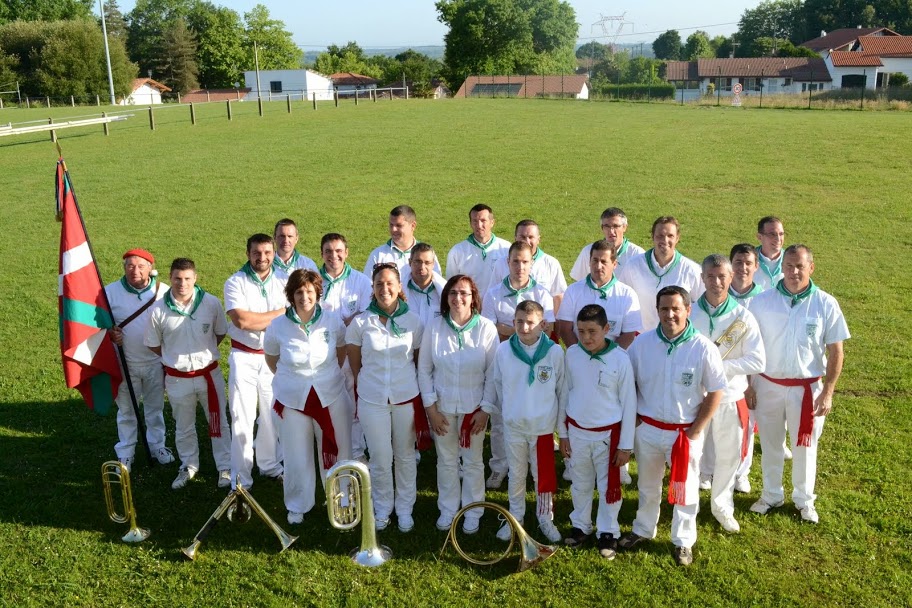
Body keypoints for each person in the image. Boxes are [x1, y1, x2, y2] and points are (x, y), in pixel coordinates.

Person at [619, 286, 726, 566]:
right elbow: (627, 383)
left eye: (676, 308)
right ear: (657, 311)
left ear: (688, 310)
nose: (670, 315)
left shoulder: (702, 347)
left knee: (685, 488)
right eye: (664, 309)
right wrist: (636, 419)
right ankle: (643, 528)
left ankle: (683, 541)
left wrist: (696, 430)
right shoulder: (642, 344)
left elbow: (716, 391)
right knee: (647, 484)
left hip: (684, 433)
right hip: (648, 429)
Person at [748, 245, 849, 524]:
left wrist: (828, 391)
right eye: (789, 266)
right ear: (782, 267)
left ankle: (804, 500)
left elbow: (836, 351)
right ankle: (771, 495)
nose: (794, 272)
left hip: (808, 390)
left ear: (811, 268)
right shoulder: (761, 302)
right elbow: (749, 347)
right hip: (768, 385)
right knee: (771, 443)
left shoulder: (825, 303)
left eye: (800, 266)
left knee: (805, 446)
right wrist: (748, 385)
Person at [264, 270, 351, 525]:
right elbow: (272, 360)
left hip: (331, 395)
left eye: (309, 291)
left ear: (317, 293)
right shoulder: (277, 326)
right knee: (296, 455)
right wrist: (296, 381)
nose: (305, 297)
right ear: (291, 295)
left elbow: (341, 352)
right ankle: (297, 505)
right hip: (293, 400)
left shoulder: (332, 321)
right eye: (299, 292)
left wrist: (322, 379)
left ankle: (341, 502)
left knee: (340, 450)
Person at [346, 263, 428, 532]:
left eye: (390, 283)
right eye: (379, 284)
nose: (385, 289)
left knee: (405, 456)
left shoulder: (414, 321)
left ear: (399, 286)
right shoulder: (361, 322)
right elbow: (356, 364)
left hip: (405, 397)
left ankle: (405, 508)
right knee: (380, 457)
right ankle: (382, 507)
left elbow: (418, 361)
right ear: (372, 287)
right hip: (372, 399)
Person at [480, 300, 568, 544]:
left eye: (531, 322)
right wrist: (508, 411)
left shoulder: (554, 352)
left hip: (542, 428)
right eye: (519, 322)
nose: (525, 327)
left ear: (543, 324)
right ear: (513, 322)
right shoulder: (504, 351)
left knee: (542, 476)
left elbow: (562, 391)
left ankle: (545, 516)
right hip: (514, 426)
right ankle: (515, 517)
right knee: (516, 474)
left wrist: (560, 428)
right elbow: (497, 384)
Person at [690, 255, 765, 533]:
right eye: (710, 276)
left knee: (729, 454)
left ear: (731, 278)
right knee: (692, 454)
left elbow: (757, 361)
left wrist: (718, 367)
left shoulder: (743, 317)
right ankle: (688, 505)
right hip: (695, 398)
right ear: (702, 278)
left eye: (722, 276)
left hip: (731, 397)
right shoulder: (690, 313)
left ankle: (722, 506)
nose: (716, 282)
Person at [418, 275, 498, 534]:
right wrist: (431, 409)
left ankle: (473, 511)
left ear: (473, 298)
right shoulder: (435, 326)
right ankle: (448, 509)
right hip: (442, 408)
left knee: (473, 461)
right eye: (453, 293)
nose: (458, 298)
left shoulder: (486, 328)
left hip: (474, 409)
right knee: (446, 460)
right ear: (446, 297)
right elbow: (424, 369)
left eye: (464, 293)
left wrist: (485, 410)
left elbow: (493, 373)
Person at [144, 258, 231, 490]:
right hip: (178, 378)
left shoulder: (211, 303)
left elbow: (220, 332)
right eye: (177, 278)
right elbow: (154, 344)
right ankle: (188, 465)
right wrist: (175, 358)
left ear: (195, 278)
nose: (182, 283)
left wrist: (205, 355)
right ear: (170, 278)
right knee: (183, 425)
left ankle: (225, 466)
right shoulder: (158, 309)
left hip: (208, 375)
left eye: (187, 278)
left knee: (219, 422)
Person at [559, 305, 636, 559]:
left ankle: (608, 531)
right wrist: (563, 433)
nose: (586, 337)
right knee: (580, 482)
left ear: (607, 329)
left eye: (592, 331)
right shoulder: (572, 354)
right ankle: (581, 525)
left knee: (607, 486)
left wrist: (625, 445)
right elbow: (564, 395)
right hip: (577, 433)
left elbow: (629, 403)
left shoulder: (620, 358)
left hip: (607, 436)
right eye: (581, 331)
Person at [480, 240, 555, 490]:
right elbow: (489, 328)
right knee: (501, 418)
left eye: (525, 262)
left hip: (534, 360)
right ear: (507, 262)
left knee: (533, 415)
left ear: (532, 263)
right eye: (515, 261)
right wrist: (523, 330)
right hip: (504, 360)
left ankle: (534, 468)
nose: (520, 267)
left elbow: (548, 328)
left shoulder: (542, 293)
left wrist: (509, 329)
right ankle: (499, 466)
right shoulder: (493, 293)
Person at [224, 234, 287, 489]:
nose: (262, 258)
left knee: (273, 415)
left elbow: (292, 317)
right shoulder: (235, 282)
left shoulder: (283, 280)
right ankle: (241, 479)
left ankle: (269, 464)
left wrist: (260, 319)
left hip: (273, 358)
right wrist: (281, 314)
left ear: (273, 253)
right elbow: (242, 321)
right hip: (244, 356)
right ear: (248, 253)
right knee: (242, 417)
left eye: (267, 252)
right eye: (257, 253)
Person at [105, 248, 172, 471]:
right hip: (125, 363)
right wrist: (110, 333)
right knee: (126, 411)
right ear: (124, 268)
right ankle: (126, 453)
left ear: (150, 268)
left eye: (141, 266)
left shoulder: (164, 292)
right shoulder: (109, 293)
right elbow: (98, 324)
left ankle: (157, 446)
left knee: (155, 407)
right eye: (130, 266)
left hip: (155, 362)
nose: (135, 271)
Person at [318, 233, 373, 461]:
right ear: (322, 254)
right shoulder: (313, 281)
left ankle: (357, 451)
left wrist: (340, 321)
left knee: (353, 398)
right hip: (322, 351)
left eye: (339, 251)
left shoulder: (361, 281)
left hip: (351, 350)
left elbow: (366, 313)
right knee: (324, 398)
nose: (334, 256)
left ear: (347, 252)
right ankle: (328, 447)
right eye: (328, 251)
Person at [616, 216, 703, 331]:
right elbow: (621, 300)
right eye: (660, 236)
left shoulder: (691, 270)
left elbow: (701, 307)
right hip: (641, 337)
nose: (665, 240)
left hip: (676, 337)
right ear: (652, 236)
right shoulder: (633, 265)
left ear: (677, 238)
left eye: (670, 236)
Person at [727, 242, 765, 491]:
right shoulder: (719, 293)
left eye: (748, 263)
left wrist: (752, 382)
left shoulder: (765, 298)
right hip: (722, 371)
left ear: (756, 266)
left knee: (746, 423)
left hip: (753, 371)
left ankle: (742, 472)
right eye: (738, 262)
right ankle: (709, 470)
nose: (743, 267)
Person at [557, 239, 642, 349]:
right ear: (589, 262)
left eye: (603, 262)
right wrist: (579, 353)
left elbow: (629, 334)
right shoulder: (573, 290)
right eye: (595, 260)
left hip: (613, 357)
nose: (598, 266)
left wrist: (608, 355)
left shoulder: (628, 295)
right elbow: (565, 329)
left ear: (614, 264)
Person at [493, 220, 567, 314]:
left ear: (538, 239)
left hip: (541, 322)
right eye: (522, 237)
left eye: (531, 237)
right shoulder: (501, 263)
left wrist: (553, 322)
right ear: (515, 238)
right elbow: (493, 293)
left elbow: (558, 297)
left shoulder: (551, 263)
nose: (527, 241)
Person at [445, 203, 511, 297]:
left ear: (492, 222)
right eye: (475, 221)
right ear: (470, 223)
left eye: (483, 221)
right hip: (470, 304)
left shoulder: (506, 248)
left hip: (498, 303)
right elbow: (451, 285)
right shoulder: (457, 251)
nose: (479, 225)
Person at [570, 207, 645, 282]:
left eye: (616, 226)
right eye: (607, 226)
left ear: (624, 227)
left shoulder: (637, 254)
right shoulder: (588, 252)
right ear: (602, 228)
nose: (611, 231)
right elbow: (579, 284)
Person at [364, 205, 441, 274]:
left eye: (399, 225)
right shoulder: (377, 255)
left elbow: (437, 282)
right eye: (391, 225)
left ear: (413, 226)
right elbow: (368, 284)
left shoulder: (427, 254)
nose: (393, 229)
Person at [400, 242, 447, 327]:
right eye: (417, 262)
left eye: (427, 263)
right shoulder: (399, 291)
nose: (422, 267)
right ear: (410, 262)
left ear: (433, 264)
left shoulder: (445, 290)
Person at [272, 218, 318, 284]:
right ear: (274, 237)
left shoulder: (308, 265)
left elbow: (317, 288)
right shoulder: (266, 264)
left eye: (290, 236)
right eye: (282, 236)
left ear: (296, 239)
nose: (286, 240)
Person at [754, 216, 786, 291]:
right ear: (759, 237)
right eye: (772, 234)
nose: (778, 239)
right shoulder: (747, 261)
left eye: (781, 234)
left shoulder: (792, 260)